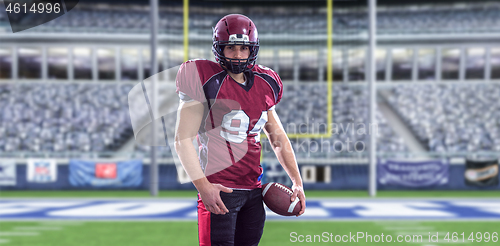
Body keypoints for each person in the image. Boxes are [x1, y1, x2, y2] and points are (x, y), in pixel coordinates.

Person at [174, 14, 305, 246]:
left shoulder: (266, 83)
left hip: (253, 192)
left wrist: (297, 182)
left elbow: (277, 139)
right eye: (230, 48)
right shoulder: (203, 77)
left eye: (243, 48)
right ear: (219, 49)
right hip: (219, 189)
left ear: (252, 49)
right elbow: (182, 139)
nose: (237, 55)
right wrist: (203, 186)